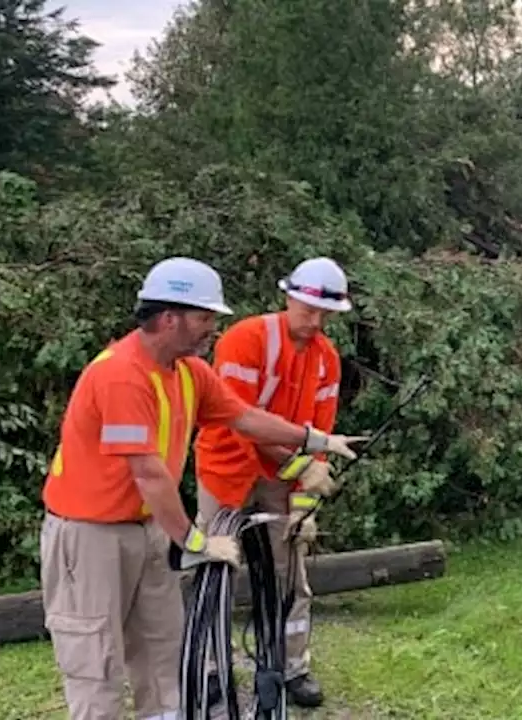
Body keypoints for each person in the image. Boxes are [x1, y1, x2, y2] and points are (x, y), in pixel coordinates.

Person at [39, 257, 368, 720]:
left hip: (147, 527)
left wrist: (315, 441)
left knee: (162, 650)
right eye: (205, 317)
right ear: (169, 317)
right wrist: (195, 541)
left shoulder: (188, 371)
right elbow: (149, 474)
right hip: (91, 535)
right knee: (96, 662)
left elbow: (245, 416)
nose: (212, 328)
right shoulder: (121, 374)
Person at [192, 257, 352, 708]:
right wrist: (300, 466)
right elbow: (241, 423)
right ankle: (209, 670)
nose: (316, 322)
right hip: (226, 469)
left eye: (326, 314)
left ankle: (291, 666)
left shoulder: (326, 360)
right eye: (308, 310)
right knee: (215, 569)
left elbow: (320, 432)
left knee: (290, 573)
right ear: (288, 297)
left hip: (281, 475)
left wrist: (304, 501)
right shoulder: (246, 339)